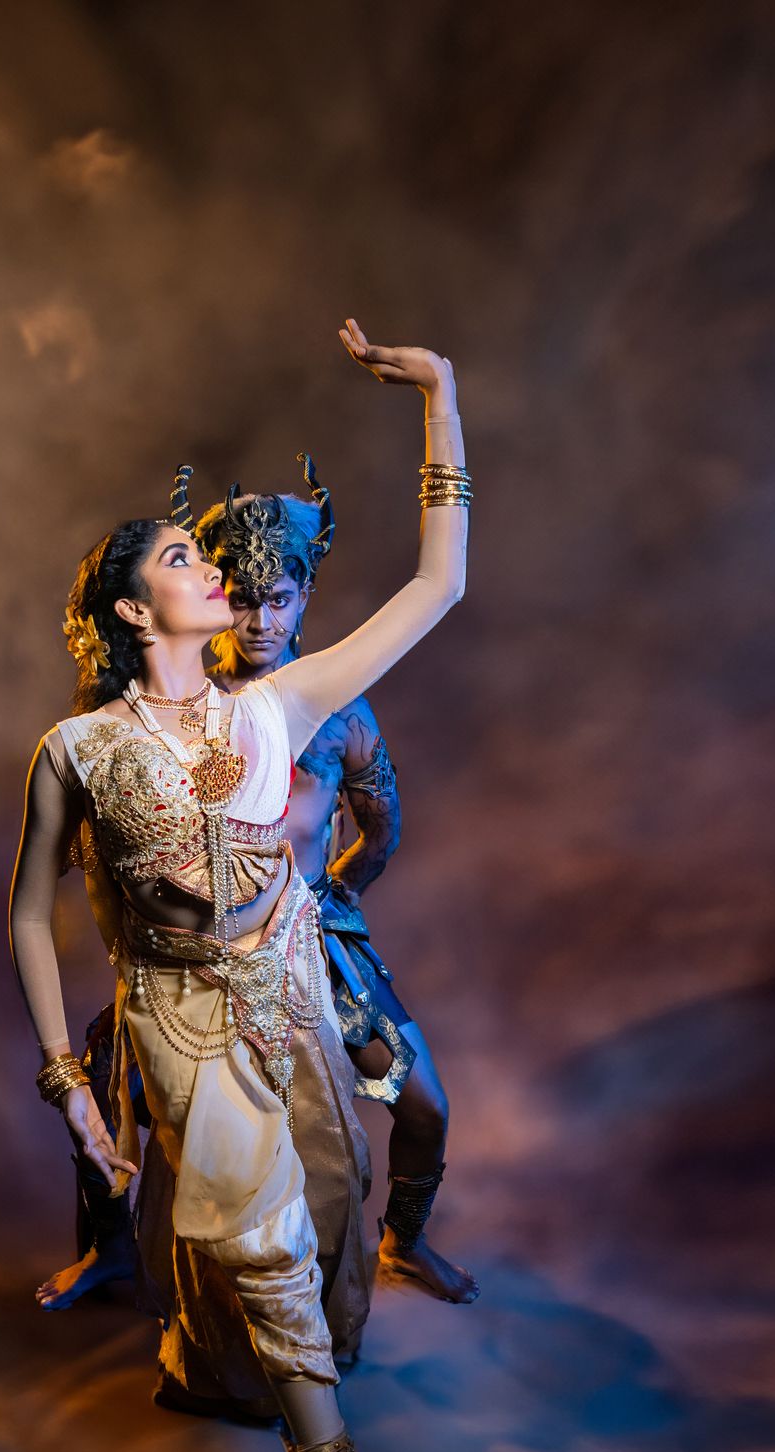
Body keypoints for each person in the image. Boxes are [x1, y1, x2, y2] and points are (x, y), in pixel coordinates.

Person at [9, 318, 470, 1452]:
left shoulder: (283, 707)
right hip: (180, 1040)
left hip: (297, 1019)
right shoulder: (77, 751)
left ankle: (289, 1376)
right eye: (179, 559)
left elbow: (440, 587)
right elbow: (31, 916)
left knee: (323, 1243)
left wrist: (441, 398)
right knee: (263, 1257)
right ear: (134, 611)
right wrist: (67, 1085)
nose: (214, 569)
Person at [200, 479, 479, 1306]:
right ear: (215, 595)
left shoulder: (339, 712)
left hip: (318, 946)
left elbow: (382, 828)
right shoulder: (178, 703)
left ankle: (402, 1242)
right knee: (118, 1085)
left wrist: (327, 899)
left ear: (304, 594)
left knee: (420, 1102)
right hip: (201, 952)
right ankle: (116, 1250)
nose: (259, 622)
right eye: (242, 600)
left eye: (276, 600)